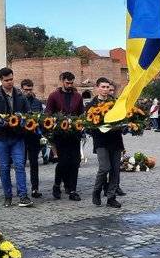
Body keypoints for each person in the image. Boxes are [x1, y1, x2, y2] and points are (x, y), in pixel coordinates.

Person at [0, 67, 32, 207]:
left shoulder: (20, 95)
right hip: (0, 138)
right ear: (1, 80)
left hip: (17, 137)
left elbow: (28, 113)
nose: (10, 82)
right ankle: (8, 196)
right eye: (6, 80)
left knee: (20, 166)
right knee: (4, 167)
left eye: (11, 79)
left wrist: (23, 120)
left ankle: (23, 196)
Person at [45, 72, 84, 201]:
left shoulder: (78, 96)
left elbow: (81, 114)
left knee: (75, 162)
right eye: (67, 82)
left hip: (74, 134)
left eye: (71, 83)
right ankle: (57, 184)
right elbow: (48, 114)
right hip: (60, 135)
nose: (69, 85)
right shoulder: (53, 96)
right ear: (62, 81)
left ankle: (72, 189)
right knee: (63, 162)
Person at [88, 77, 124, 208]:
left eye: (107, 87)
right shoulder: (91, 105)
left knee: (115, 170)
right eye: (102, 87)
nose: (105, 90)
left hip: (115, 140)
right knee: (105, 168)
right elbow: (89, 125)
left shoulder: (115, 103)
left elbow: (122, 118)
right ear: (97, 88)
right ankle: (96, 191)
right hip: (101, 141)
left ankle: (111, 197)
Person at [20, 79, 44, 198]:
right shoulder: (18, 101)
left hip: (34, 137)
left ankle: (35, 188)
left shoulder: (37, 102)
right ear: (22, 89)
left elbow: (41, 117)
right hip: (22, 137)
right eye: (26, 90)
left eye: (30, 90)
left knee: (34, 163)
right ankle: (22, 188)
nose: (28, 92)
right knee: (21, 164)